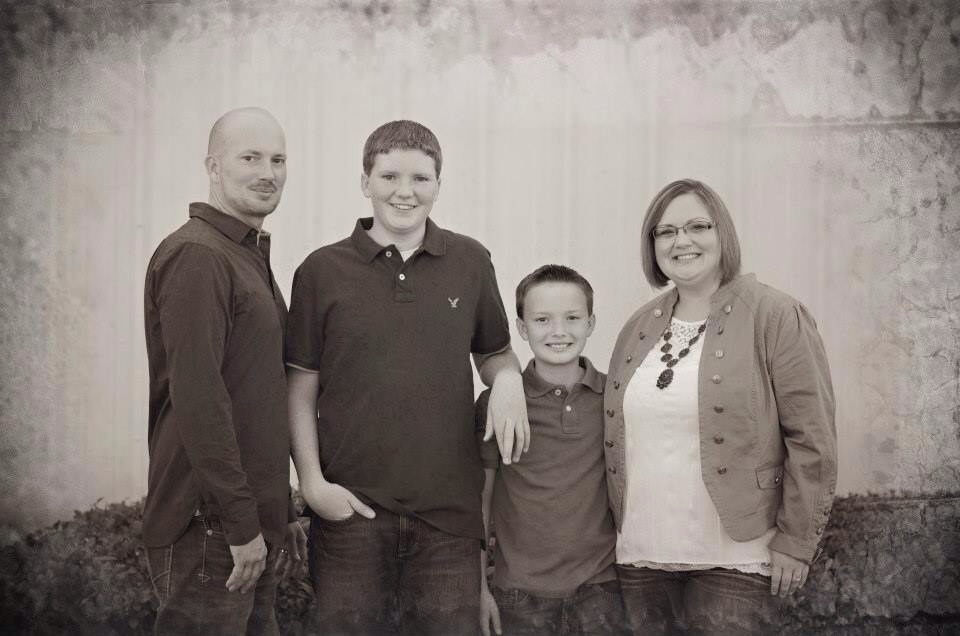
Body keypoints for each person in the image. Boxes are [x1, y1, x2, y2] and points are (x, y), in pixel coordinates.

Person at [285, 120, 529, 635]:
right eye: (390, 176)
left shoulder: (470, 260)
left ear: (438, 184)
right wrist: (312, 484)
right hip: (351, 513)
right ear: (365, 182)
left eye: (420, 178)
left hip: (448, 520)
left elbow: (495, 354)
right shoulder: (321, 271)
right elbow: (301, 387)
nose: (405, 191)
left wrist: (507, 379)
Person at [604, 179, 837, 634]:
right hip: (641, 556)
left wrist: (796, 540)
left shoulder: (775, 314)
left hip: (737, 559)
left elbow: (813, 438)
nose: (681, 241)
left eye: (697, 226)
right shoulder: (638, 327)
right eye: (666, 231)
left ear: (723, 234)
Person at [142, 107, 307, 636]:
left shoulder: (242, 254)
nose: (268, 172)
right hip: (210, 528)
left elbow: (257, 393)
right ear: (213, 167)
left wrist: (278, 510)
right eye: (250, 158)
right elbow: (199, 398)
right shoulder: (198, 255)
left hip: (242, 523)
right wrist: (240, 524)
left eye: (278, 160)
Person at [477, 265, 629, 636]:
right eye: (542, 320)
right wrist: (479, 587)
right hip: (518, 594)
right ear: (522, 328)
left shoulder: (615, 397)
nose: (558, 331)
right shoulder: (497, 402)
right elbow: (480, 500)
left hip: (601, 590)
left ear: (591, 323)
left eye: (572, 318)